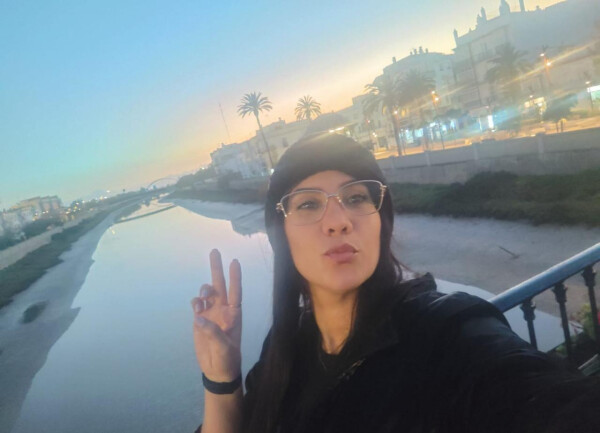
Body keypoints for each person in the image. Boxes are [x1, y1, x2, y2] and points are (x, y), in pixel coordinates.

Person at [190, 133, 600, 433]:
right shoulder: (286, 347)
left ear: (380, 220)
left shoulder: (446, 335)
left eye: (356, 197)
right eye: (309, 203)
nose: (338, 221)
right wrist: (221, 377)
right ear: (280, 233)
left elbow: (541, 399)